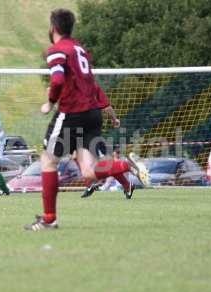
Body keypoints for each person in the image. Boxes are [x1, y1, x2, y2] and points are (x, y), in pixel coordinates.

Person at [24, 8, 149, 231]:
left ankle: (49, 219)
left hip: (72, 112)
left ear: (52, 27)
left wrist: (50, 102)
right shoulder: (80, 49)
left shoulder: (57, 50)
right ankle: (124, 165)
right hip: (92, 113)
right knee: (89, 171)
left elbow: (58, 79)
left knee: (48, 160)